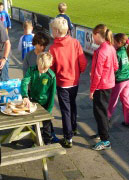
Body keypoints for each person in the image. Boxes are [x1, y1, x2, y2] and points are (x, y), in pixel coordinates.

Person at [49, 17, 87, 148]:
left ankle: (68, 137)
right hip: (74, 81)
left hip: (62, 83)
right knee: (72, 104)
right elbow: (83, 62)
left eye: (52, 30)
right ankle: (74, 127)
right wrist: (78, 72)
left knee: (65, 109)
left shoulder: (53, 48)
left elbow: (51, 67)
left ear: (57, 31)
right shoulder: (75, 43)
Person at [90, 24, 118, 151]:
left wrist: (92, 90)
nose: (92, 38)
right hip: (109, 84)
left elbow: (97, 74)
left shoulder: (101, 51)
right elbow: (116, 66)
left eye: (93, 35)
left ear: (97, 34)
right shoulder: (110, 47)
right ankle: (102, 134)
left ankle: (105, 140)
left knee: (99, 113)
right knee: (103, 111)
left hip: (101, 86)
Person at [21, 52, 56, 145]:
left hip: (45, 103)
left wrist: (49, 109)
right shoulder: (31, 70)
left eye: (45, 69)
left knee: (46, 123)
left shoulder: (51, 76)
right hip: (33, 100)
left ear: (50, 65)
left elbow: (52, 95)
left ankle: (48, 139)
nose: (43, 71)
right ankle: (35, 138)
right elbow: (24, 82)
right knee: (34, 121)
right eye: (41, 68)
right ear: (37, 63)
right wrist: (25, 96)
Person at [107, 33, 129, 129]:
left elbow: (114, 69)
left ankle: (106, 118)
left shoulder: (117, 53)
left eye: (114, 42)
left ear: (119, 43)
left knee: (112, 101)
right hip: (127, 80)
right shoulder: (126, 51)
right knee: (126, 100)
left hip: (119, 81)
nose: (112, 43)